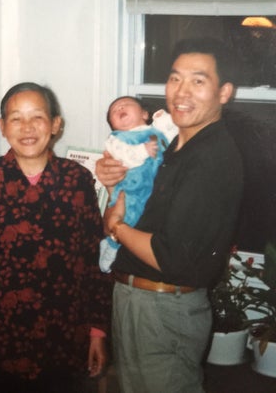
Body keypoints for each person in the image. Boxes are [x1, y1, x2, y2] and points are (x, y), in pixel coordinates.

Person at [96, 37, 244, 393]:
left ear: (224, 92)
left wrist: (116, 228)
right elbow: (126, 215)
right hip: (138, 302)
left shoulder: (211, 158)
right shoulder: (171, 147)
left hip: (165, 311)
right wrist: (112, 186)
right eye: (175, 78)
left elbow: (171, 256)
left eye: (198, 80)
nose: (182, 91)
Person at [0, 82, 111, 393]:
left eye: (37, 117)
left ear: (55, 125)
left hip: (63, 341)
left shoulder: (78, 180)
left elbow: (93, 260)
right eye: (16, 118)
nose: (27, 128)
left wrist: (98, 330)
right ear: (2, 127)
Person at [98, 96, 178, 273]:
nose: (120, 108)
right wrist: (143, 150)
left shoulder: (156, 131)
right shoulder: (117, 138)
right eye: (114, 110)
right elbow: (124, 155)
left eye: (126, 105)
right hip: (131, 188)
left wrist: (164, 118)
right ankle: (111, 247)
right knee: (129, 216)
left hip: (153, 188)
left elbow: (174, 132)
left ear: (144, 113)